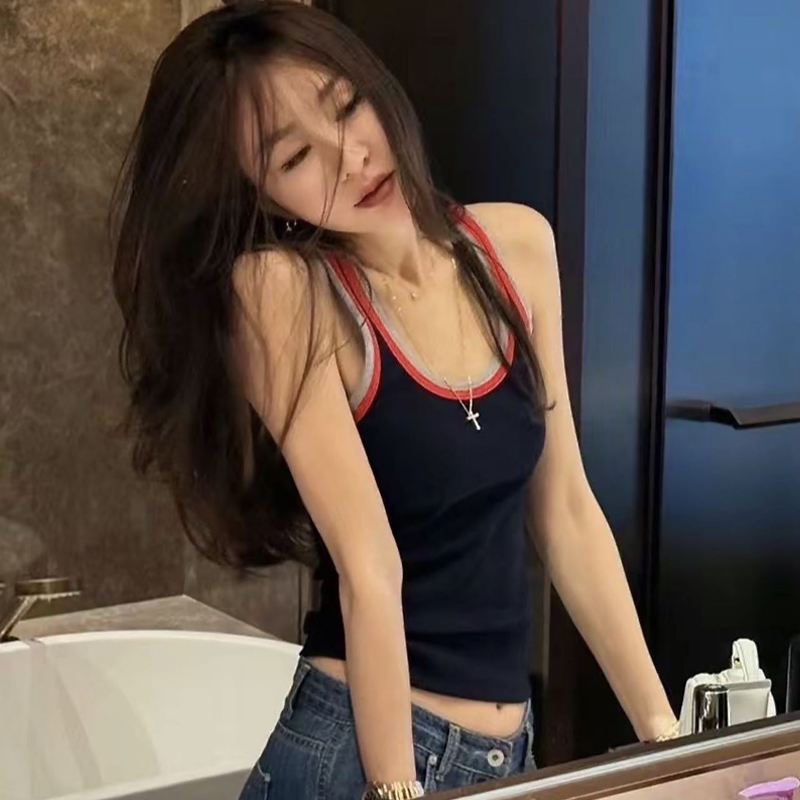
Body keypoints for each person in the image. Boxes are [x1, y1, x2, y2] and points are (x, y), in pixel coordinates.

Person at [110, 2, 679, 798]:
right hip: (362, 756)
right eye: (295, 157)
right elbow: (369, 566)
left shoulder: (518, 246)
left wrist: (670, 741)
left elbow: (567, 514)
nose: (350, 158)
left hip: (503, 752)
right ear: (262, 196)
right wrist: (397, 787)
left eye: (346, 107)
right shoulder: (283, 292)